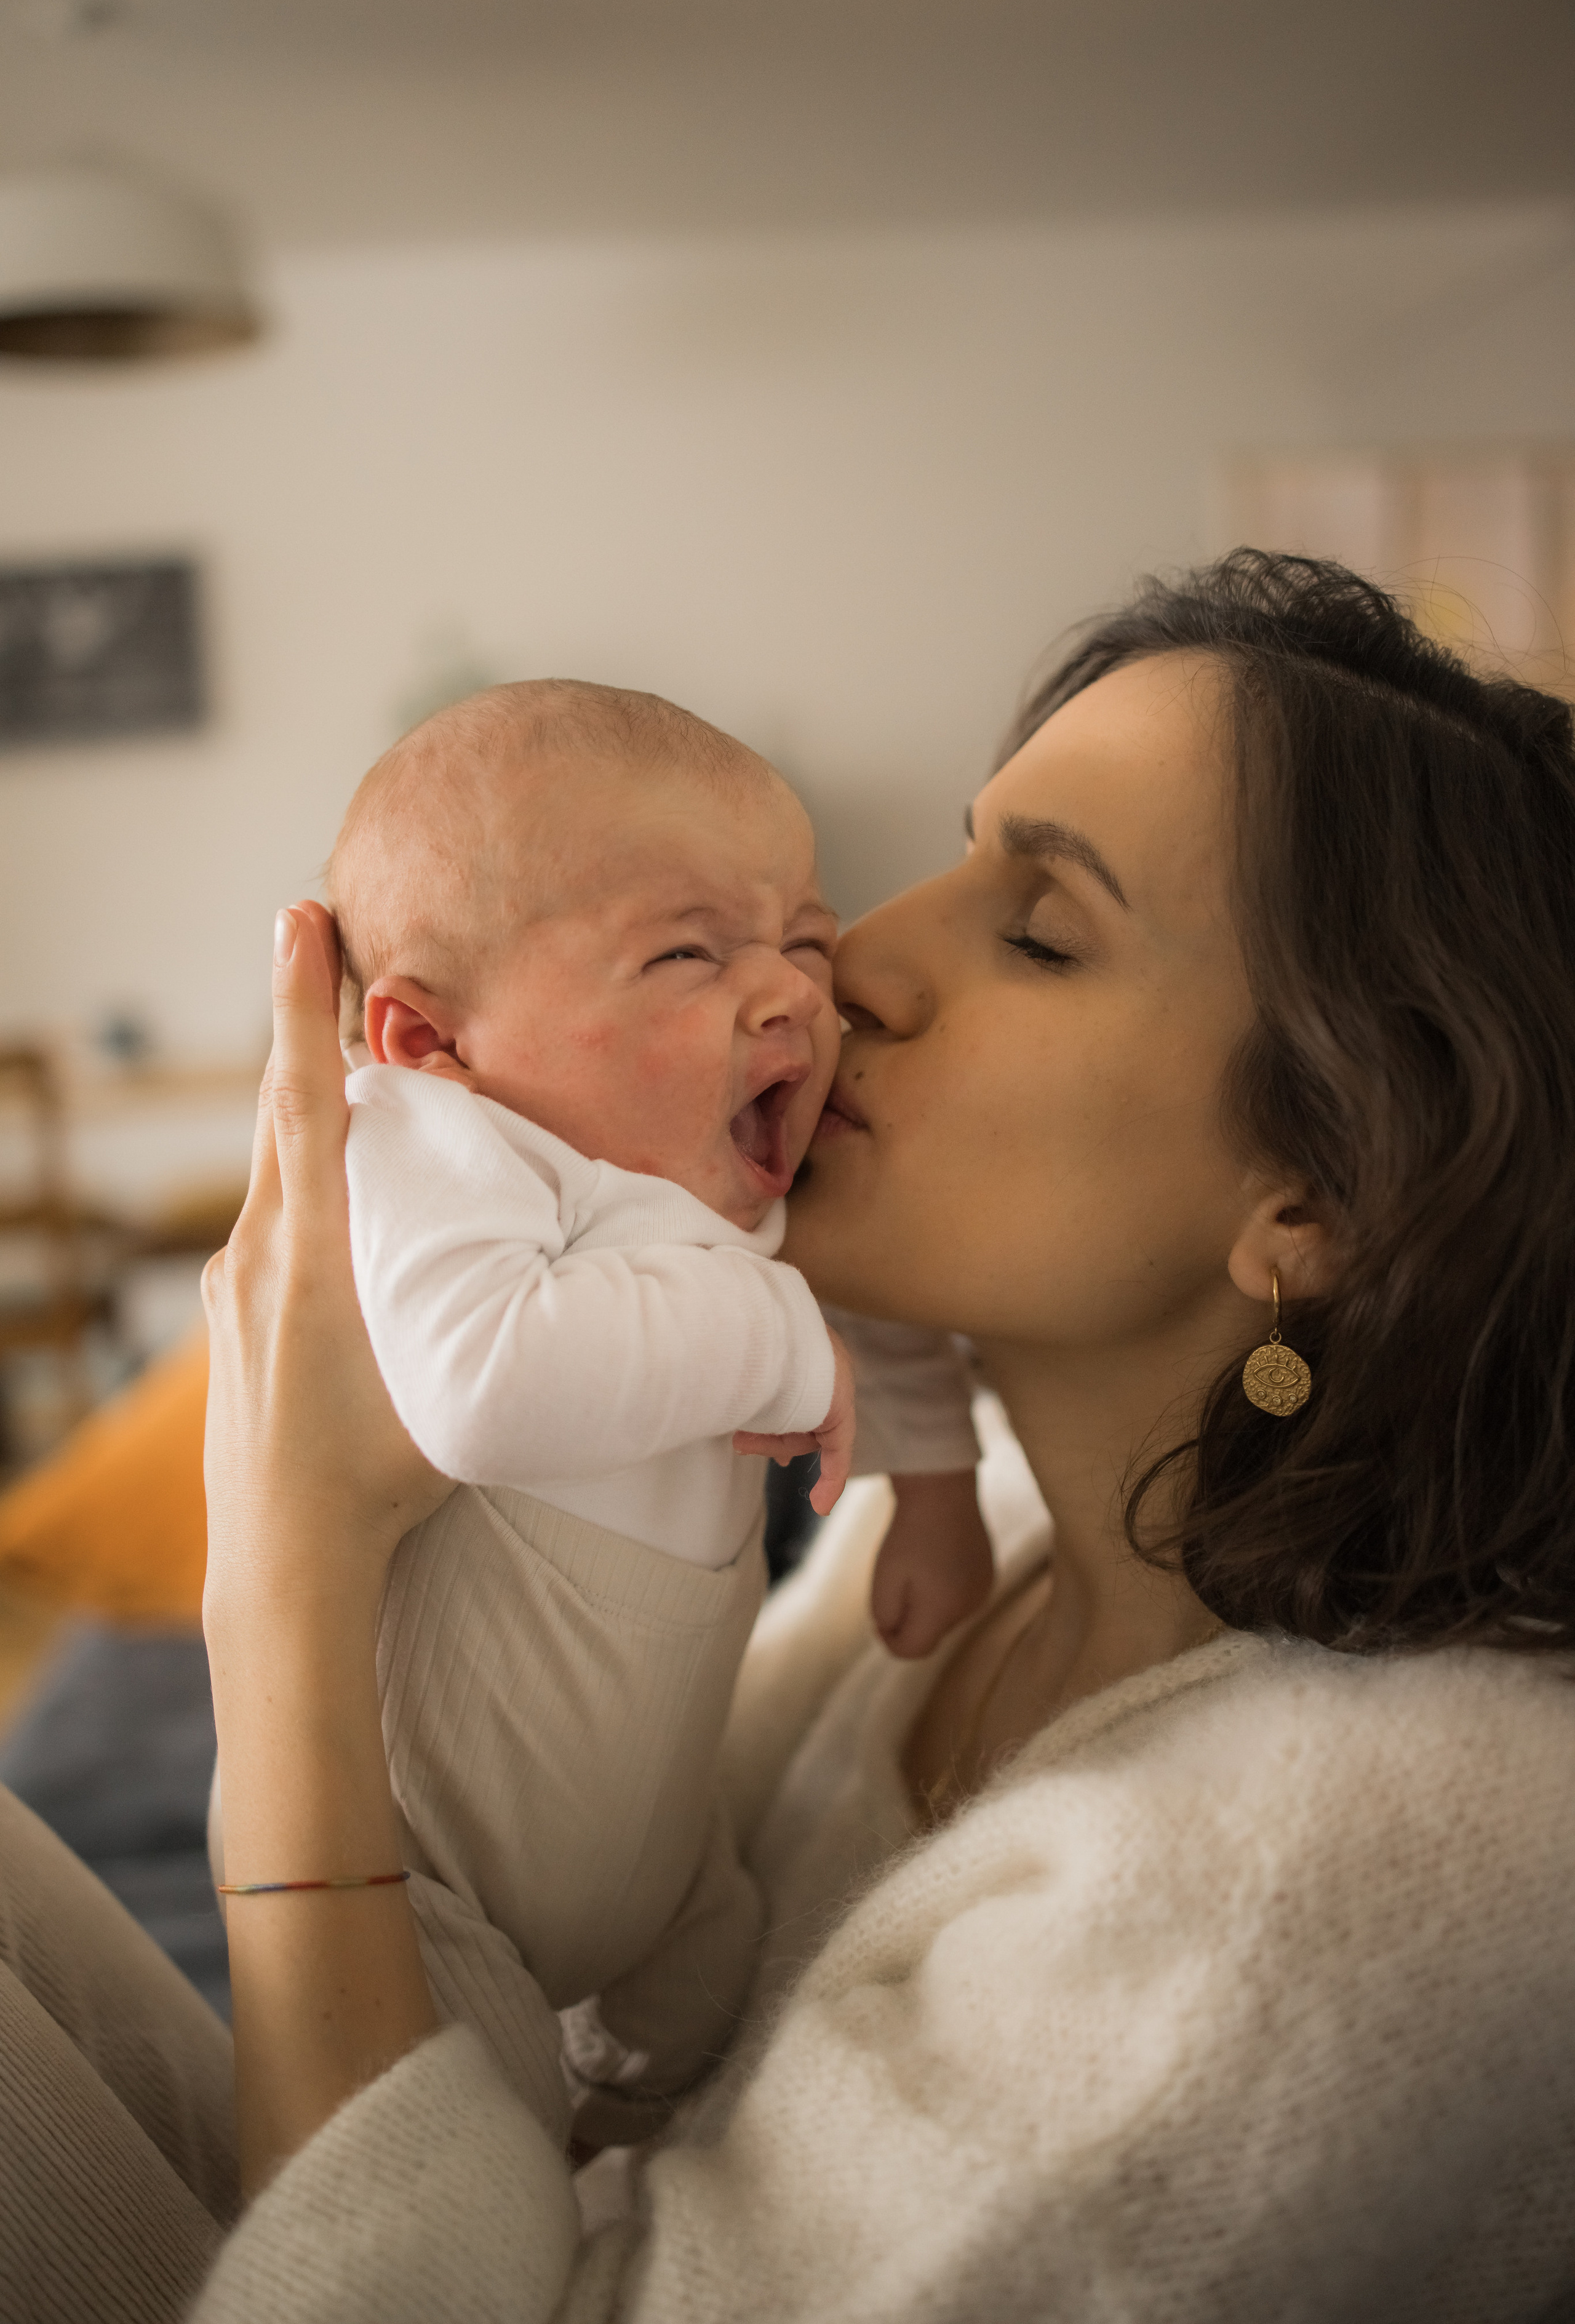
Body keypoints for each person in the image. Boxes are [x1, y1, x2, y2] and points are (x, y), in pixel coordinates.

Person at [6, 550, 1575, 2324]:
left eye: (1040, 929)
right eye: (953, 857)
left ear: (1321, 1196)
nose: (860, 962)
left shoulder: (1312, 1888)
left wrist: (281, 1580)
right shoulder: (1004, 1521)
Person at [231, 676, 982, 2106]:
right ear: (426, 1041)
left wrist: (937, 1497)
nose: (789, 992)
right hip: (434, 1880)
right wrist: (770, 1328)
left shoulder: (726, 1173)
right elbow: (483, 1385)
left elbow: (863, 1315)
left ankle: (638, 2166)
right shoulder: (433, 1145)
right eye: (688, 954)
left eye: (803, 940)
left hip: (661, 1842)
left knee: (702, 2038)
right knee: (472, 2118)